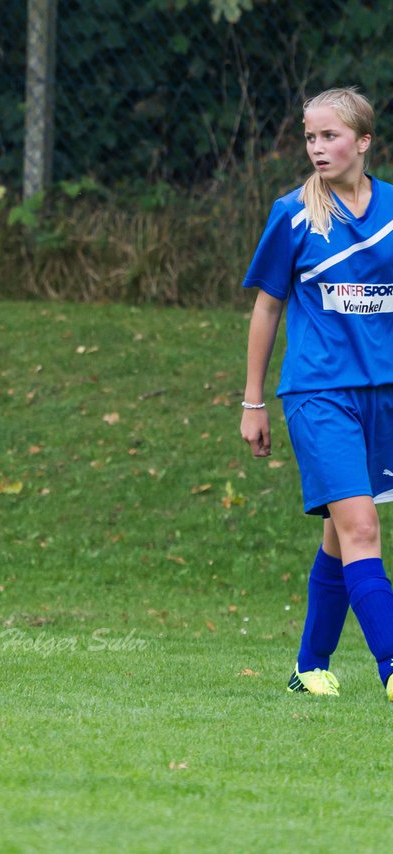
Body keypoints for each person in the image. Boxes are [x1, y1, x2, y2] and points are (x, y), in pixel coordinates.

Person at [240, 86, 393, 700]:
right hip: (318, 391)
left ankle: (310, 665)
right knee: (361, 530)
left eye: (330, 136)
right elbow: (267, 307)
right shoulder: (293, 214)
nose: (318, 148)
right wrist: (253, 401)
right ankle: (390, 667)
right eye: (310, 137)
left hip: (382, 393)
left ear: (363, 142)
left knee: (340, 532)